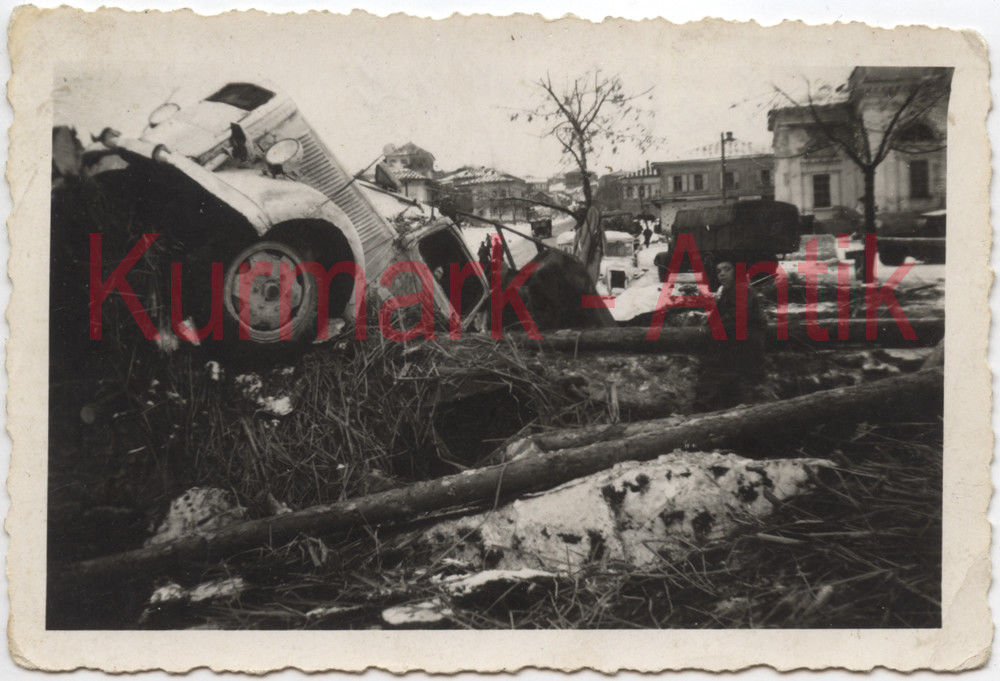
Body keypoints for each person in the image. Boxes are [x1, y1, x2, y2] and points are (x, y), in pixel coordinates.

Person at [695, 261, 769, 410]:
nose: (722, 274)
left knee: (729, 371)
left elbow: (738, 316)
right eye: (718, 271)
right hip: (735, 337)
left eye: (727, 269)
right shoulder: (728, 291)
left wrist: (714, 324)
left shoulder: (742, 290)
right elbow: (723, 314)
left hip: (748, 339)